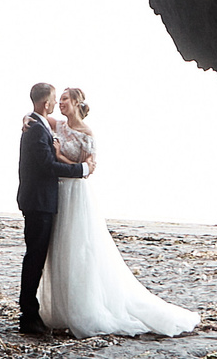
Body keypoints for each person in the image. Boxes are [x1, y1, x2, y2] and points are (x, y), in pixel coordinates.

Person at [34, 87, 199, 337]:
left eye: (65, 99)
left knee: (79, 247)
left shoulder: (87, 133)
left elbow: (88, 169)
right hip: (58, 191)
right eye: (60, 100)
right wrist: (27, 118)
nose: (60, 104)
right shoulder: (59, 125)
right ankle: (62, 309)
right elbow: (37, 118)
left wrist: (59, 156)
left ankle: (84, 307)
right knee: (60, 247)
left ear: (77, 102)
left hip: (76, 193)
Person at [17, 80, 91, 333]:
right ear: (47, 103)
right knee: (35, 258)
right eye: (55, 99)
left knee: (37, 258)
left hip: (45, 199)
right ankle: (28, 316)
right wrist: (80, 169)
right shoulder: (37, 128)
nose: (58, 103)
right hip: (39, 201)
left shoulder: (38, 124)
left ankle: (31, 312)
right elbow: (47, 165)